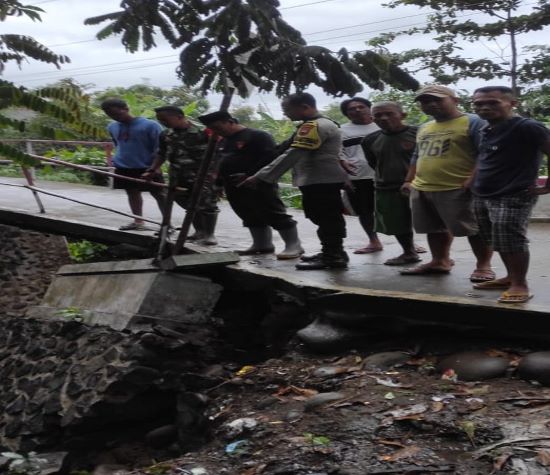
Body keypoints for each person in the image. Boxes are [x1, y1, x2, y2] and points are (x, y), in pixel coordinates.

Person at [240, 92, 349, 270]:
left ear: (304, 107)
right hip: (318, 180)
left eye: (287, 109)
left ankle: (333, 256)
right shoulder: (318, 124)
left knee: (327, 218)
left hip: (322, 181)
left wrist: (262, 177)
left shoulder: (315, 126)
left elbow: (293, 154)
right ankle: (332, 251)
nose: (285, 114)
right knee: (322, 216)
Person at [400, 85, 494, 280]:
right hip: (423, 186)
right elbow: (417, 155)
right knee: (433, 228)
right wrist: (409, 180)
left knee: (474, 229)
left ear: (455, 101)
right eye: (425, 101)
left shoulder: (473, 121)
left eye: (438, 99)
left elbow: (485, 153)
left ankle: (484, 266)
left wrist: (473, 180)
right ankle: (439, 261)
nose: (431, 104)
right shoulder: (425, 126)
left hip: (458, 187)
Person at [469, 86, 550, 303]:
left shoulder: (528, 127)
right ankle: (509, 277)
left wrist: (548, 185)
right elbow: (483, 158)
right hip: (483, 193)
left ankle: (519, 284)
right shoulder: (486, 129)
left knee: (511, 240)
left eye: (493, 102)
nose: (484, 107)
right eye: (478, 104)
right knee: (498, 240)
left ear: (512, 103)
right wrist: (471, 182)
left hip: (514, 193)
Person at [197, 110, 304, 259]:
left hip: (258, 183)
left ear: (230, 122)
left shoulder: (258, 136)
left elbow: (272, 157)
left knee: (273, 213)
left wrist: (251, 174)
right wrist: (219, 183)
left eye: (218, 127)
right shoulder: (224, 141)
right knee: (248, 214)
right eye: (213, 129)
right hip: (234, 185)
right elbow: (221, 162)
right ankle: (262, 244)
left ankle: (294, 245)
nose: (216, 132)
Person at [143, 105, 219, 245]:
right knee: (187, 203)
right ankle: (199, 231)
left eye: (165, 119)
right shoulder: (166, 134)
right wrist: (152, 170)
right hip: (178, 175)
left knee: (207, 204)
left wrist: (215, 173)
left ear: (179, 116)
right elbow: (162, 153)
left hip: (202, 174)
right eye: (160, 120)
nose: (163, 123)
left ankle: (209, 235)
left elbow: (219, 152)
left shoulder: (204, 131)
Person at [362, 101, 424, 265]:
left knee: (437, 223)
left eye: (389, 114)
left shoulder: (420, 133)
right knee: (398, 224)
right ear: (372, 118)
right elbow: (374, 163)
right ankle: (409, 253)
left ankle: (442, 257)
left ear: (402, 115)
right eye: (378, 115)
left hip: (422, 185)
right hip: (387, 187)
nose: (383, 118)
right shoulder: (370, 140)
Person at [101, 98, 166, 231]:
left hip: (147, 166)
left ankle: (167, 223)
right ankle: (138, 221)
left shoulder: (150, 125)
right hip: (124, 166)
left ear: (126, 109)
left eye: (117, 114)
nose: (115, 117)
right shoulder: (112, 126)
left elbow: (161, 148)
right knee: (132, 192)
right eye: (110, 115)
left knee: (159, 194)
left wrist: (156, 167)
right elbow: (117, 143)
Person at [339, 97, 383, 254]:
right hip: (358, 177)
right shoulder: (342, 131)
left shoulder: (382, 125)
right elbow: (338, 156)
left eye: (361, 106)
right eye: (352, 109)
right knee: (365, 212)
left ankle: (409, 243)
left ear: (369, 108)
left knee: (397, 209)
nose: (357, 110)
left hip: (386, 176)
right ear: (347, 114)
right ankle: (374, 241)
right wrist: (344, 178)